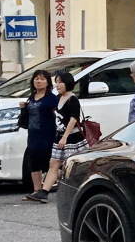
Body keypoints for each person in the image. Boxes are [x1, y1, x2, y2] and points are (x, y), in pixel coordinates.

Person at [26, 72, 88, 202]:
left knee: (74, 166)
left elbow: (73, 118)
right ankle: (43, 192)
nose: (57, 85)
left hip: (72, 137)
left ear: (68, 83)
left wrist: (65, 136)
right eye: (57, 82)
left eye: (60, 82)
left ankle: (81, 189)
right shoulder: (59, 98)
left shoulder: (72, 99)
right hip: (60, 136)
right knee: (53, 164)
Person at [19, 70, 58, 201]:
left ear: (47, 82)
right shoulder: (31, 97)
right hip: (33, 133)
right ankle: (36, 190)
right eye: (36, 79)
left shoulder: (52, 99)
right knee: (33, 161)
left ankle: (45, 189)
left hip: (47, 133)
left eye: (42, 79)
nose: (39, 81)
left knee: (47, 161)